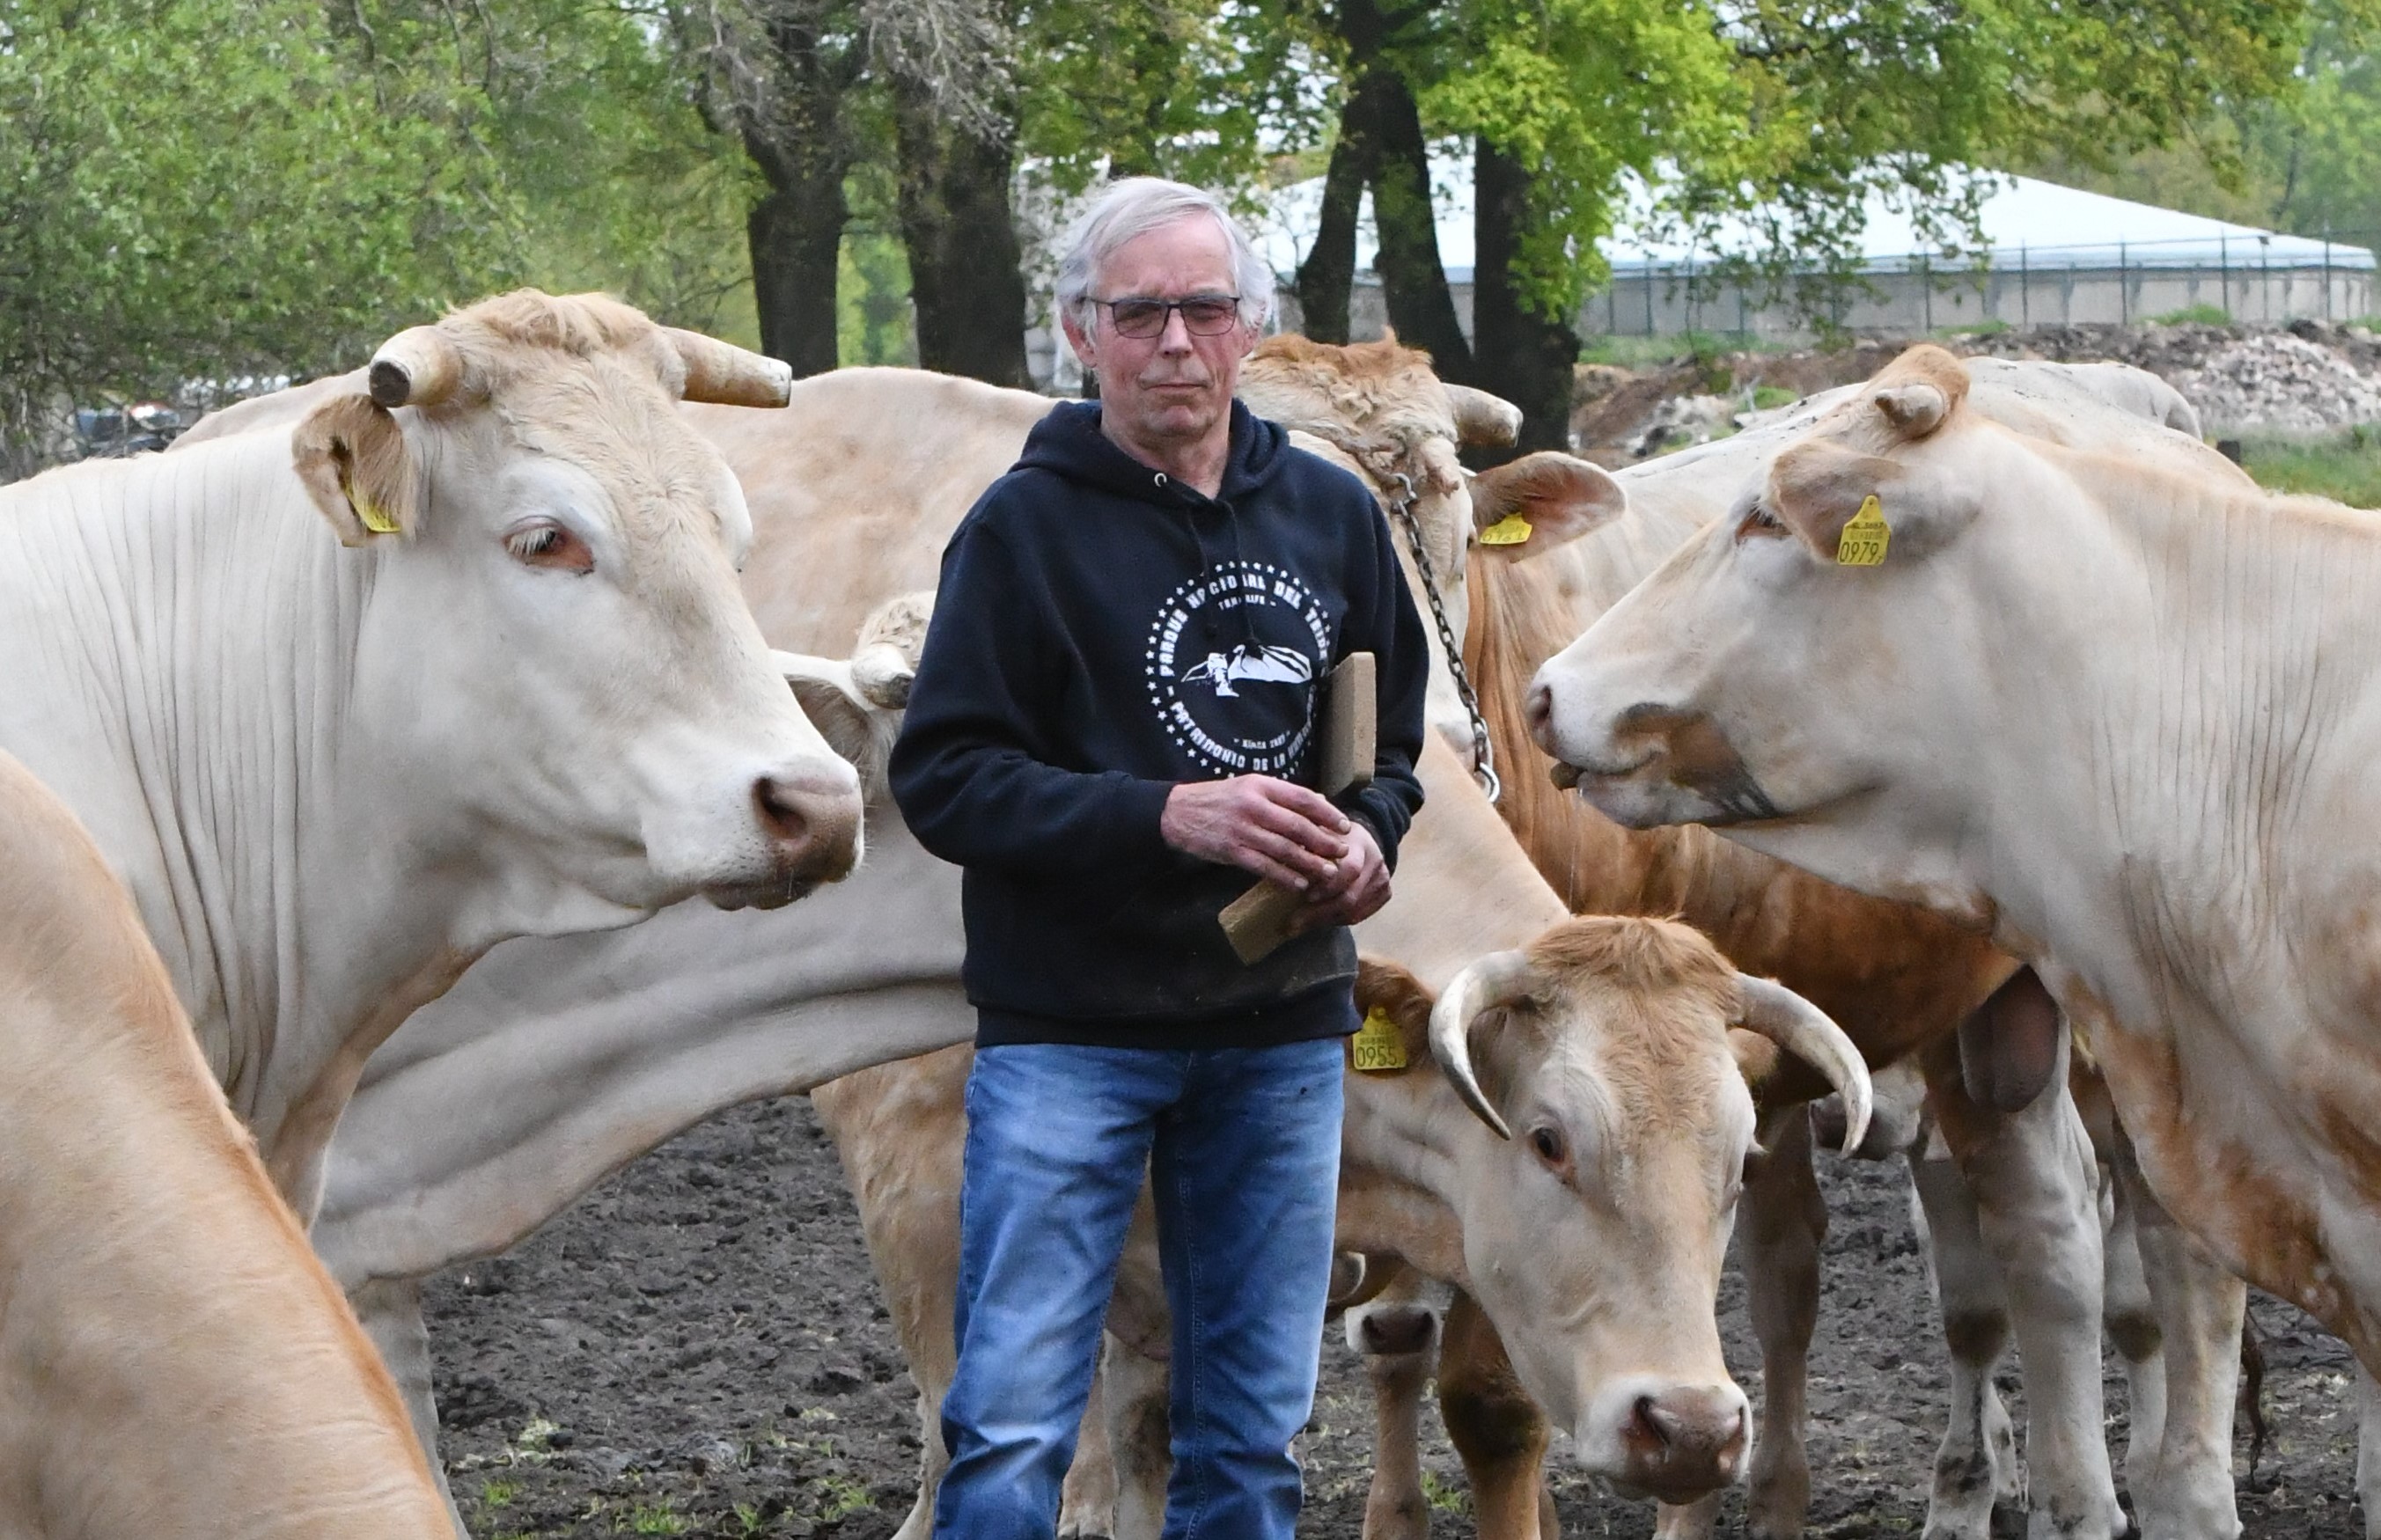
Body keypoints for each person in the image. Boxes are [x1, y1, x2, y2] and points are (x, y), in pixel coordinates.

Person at [887, 176, 1430, 1539]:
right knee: (1009, 1430)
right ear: (1081, 333)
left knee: (1250, 1439)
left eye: (1202, 307)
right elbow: (944, 778)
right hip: (1071, 1030)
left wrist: (1366, 845)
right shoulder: (1020, 530)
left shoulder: (1331, 516)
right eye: (1140, 314)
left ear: (1250, 326)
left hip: (1282, 1029)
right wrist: (1165, 813)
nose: (1175, 342)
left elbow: (1390, 756)